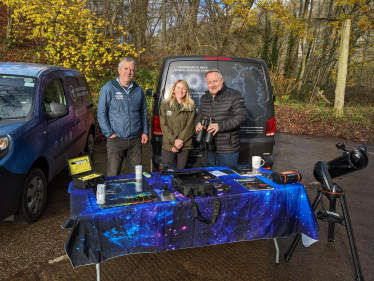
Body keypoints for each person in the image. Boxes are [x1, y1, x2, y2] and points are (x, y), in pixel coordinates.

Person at [97, 57, 148, 176]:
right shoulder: (108, 88)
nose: (128, 72)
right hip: (116, 140)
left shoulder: (138, 90)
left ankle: (136, 194)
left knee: (137, 175)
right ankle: (113, 194)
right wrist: (109, 133)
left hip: (135, 140)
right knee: (113, 175)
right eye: (126, 68)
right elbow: (101, 113)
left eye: (132, 70)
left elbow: (143, 112)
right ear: (119, 70)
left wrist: (145, 131)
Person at [195, 69, 247, 166]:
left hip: (227, 151)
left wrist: (219, 126)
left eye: (215, 81)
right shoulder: (204, 98)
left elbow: (242, 117)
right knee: (213, 179)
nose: (213, 85)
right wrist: (197, 123)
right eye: (209, 82)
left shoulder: (234, 95)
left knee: (228, 179)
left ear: (222, 80)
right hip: (210, 149)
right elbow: (199, 116)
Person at [159, 80, 195, 169]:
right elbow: (164, 125)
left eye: (184, 88)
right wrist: (174, 141)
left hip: (185, 144)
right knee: (167, 172)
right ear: (174, 89)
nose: (180, 90)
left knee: (181, 173)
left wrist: (179, 142)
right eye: (178, 87)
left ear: (186, 91)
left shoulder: (191, 105)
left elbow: (190, 126)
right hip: (169, 144)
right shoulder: (165, 105)